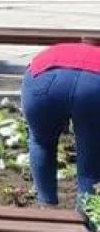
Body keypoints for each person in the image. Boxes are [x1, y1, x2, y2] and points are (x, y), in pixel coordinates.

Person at [21, 39, 100, 207]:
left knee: (41, 142)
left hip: (42, 75)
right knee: (92, 155)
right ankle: (88, 214)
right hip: (94, 86)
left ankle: (46, 206)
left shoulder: (61, 49)